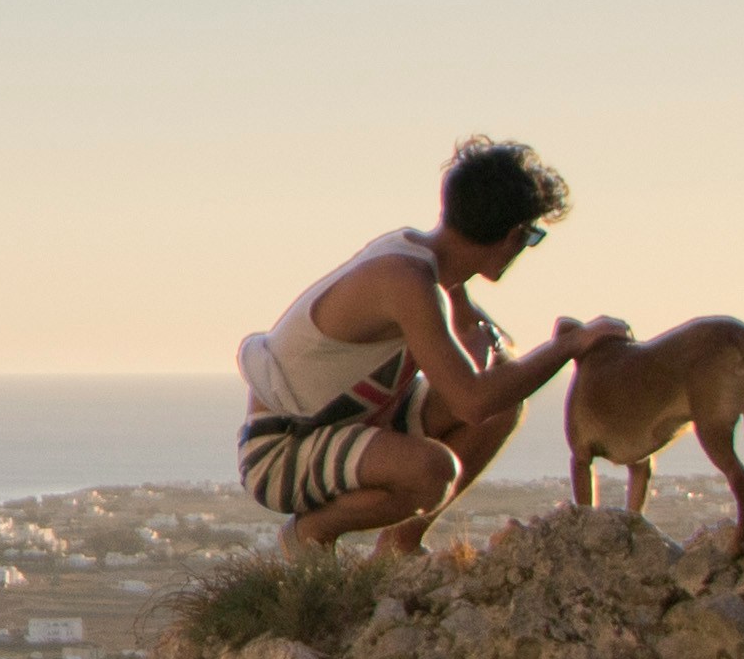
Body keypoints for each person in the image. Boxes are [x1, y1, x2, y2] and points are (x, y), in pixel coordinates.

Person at [238, 137, 624, 559]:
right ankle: (310, 534)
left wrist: (491, 347)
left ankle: (399, 546)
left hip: (353, 424)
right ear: (513, 236)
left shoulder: (430, 266)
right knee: (433, 472)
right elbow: (472, 400)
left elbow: (478, 352)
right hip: (282, 449)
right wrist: (568, 346)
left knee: (505, 408)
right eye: (531, 237)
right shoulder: (408, 281)